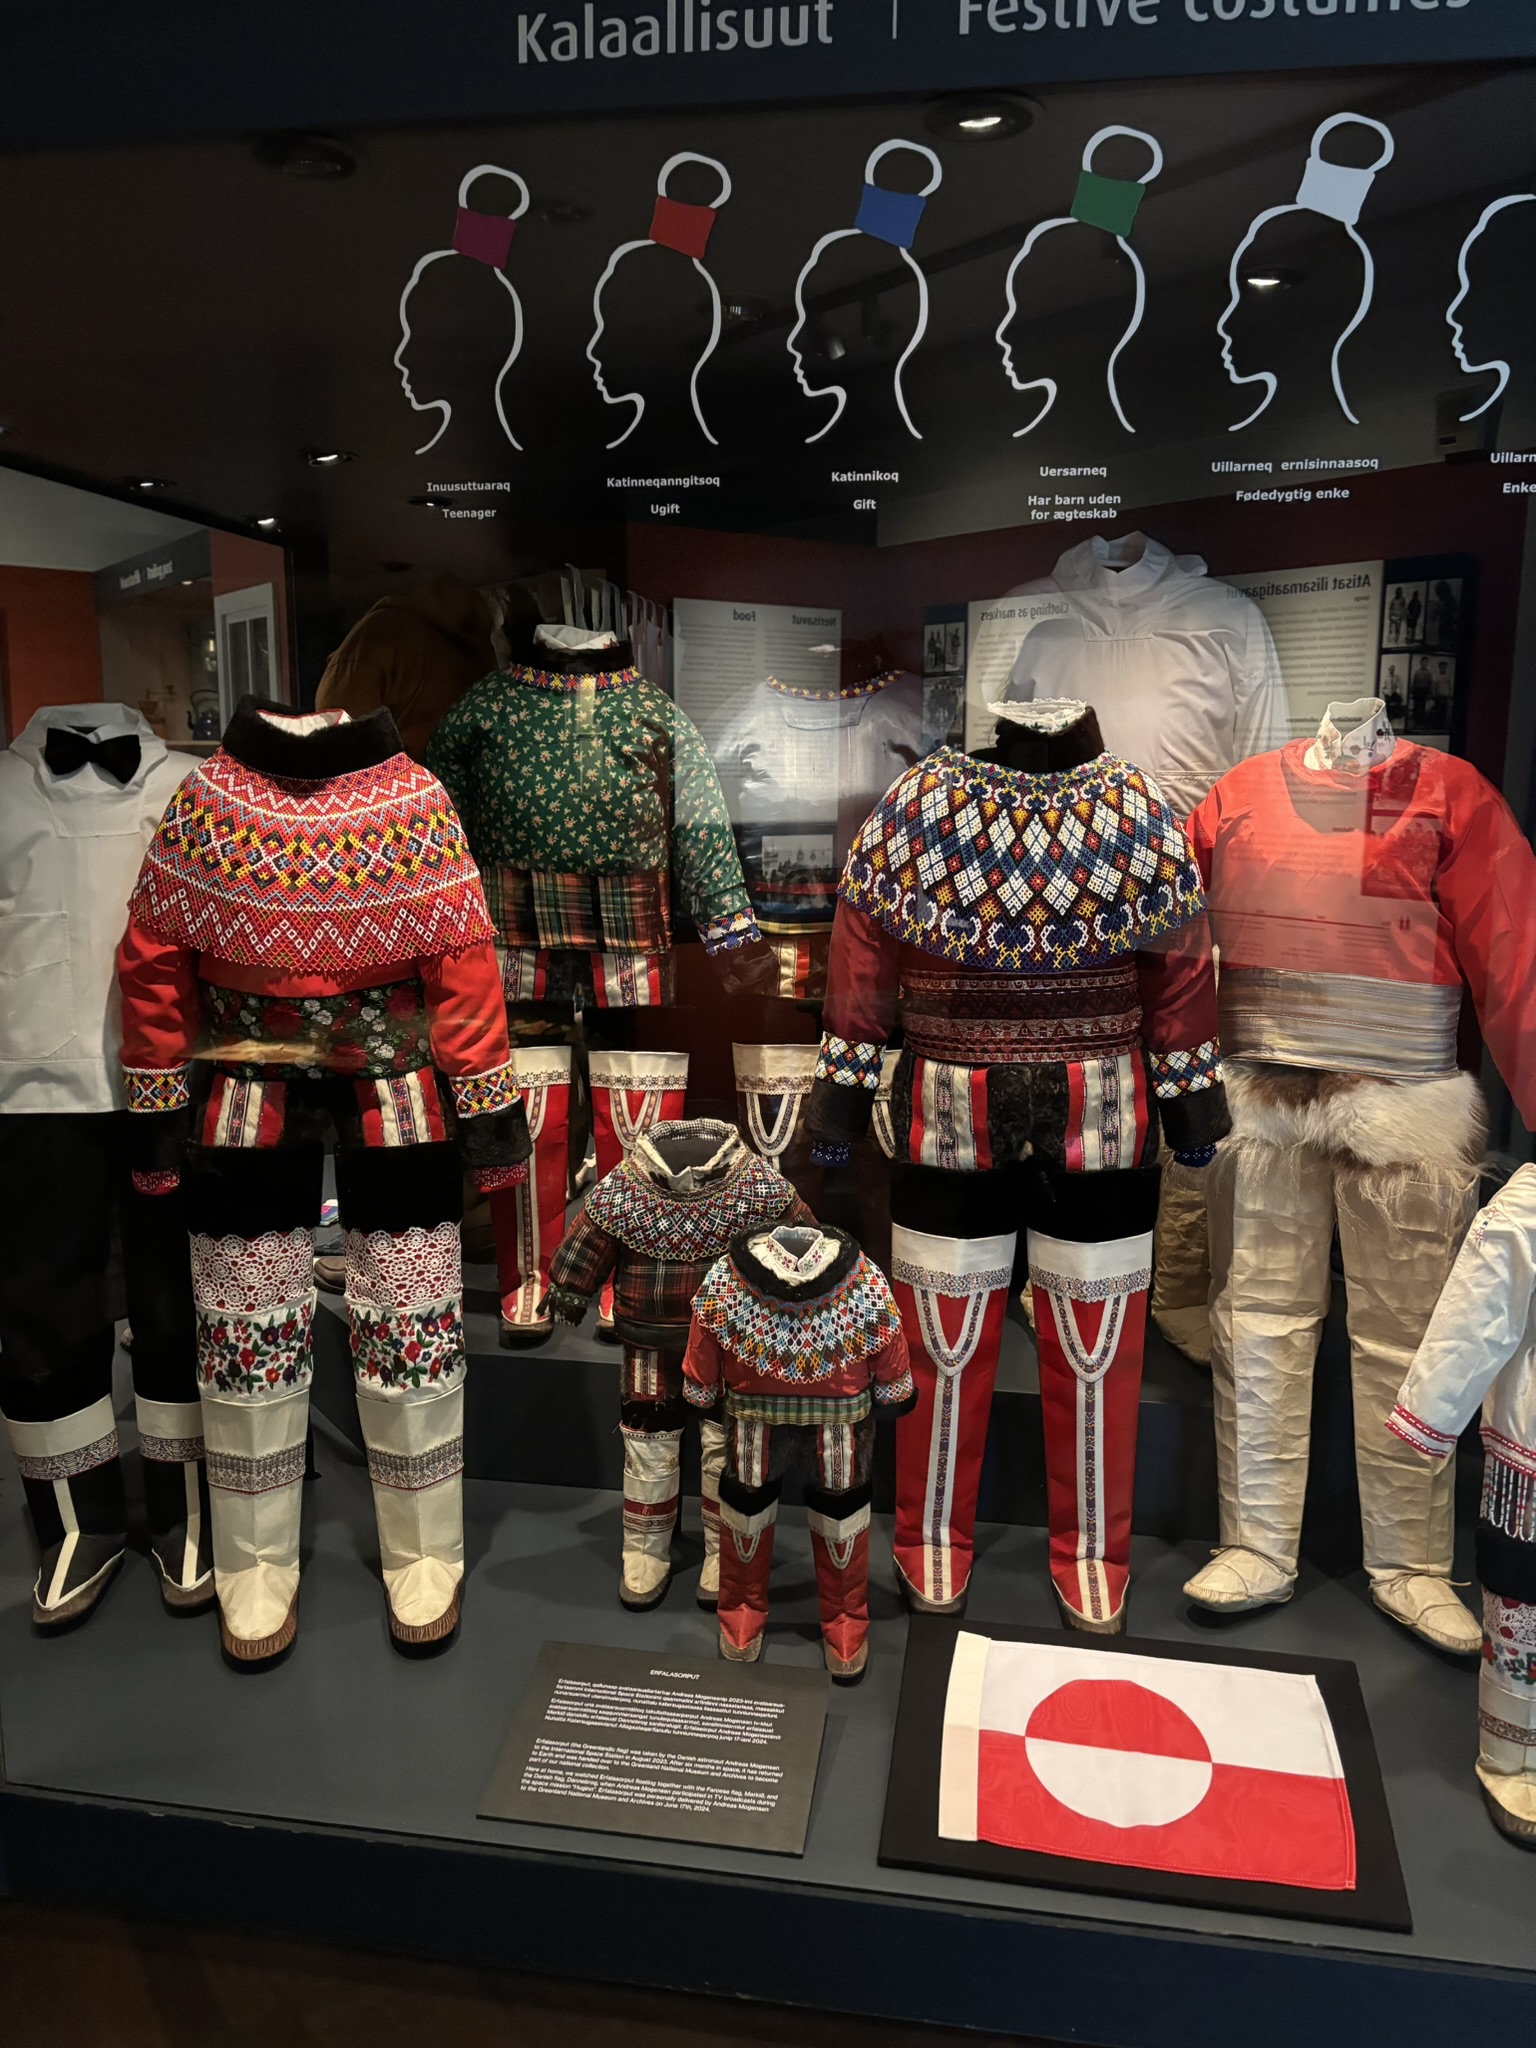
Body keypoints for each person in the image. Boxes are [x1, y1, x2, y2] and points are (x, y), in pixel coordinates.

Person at [315, 573, 497, 762]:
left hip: (397, 777)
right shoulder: (480, 654)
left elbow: (337, 739)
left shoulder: (377, 635)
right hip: (457, 778)